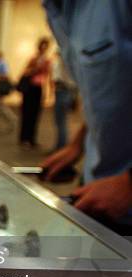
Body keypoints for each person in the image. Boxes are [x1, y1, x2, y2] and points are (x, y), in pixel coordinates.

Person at [41, 0, 132, 234]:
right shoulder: (56, 9)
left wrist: (128, 185)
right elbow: (101, 88)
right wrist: (78, 142)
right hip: (101, 189)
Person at [18, 37, 51, 148]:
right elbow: (25, 72)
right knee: (27, 113)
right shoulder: (33, 59)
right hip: (30, 88)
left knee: (36, 114)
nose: (44, 48)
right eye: (43, 45)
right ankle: (24, 138)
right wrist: (36, 68)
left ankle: (32, 138)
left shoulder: (47, 60)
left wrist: (48, 92)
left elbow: (46, 76)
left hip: (38, 88)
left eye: (46, 46)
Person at [51, 52, 77, 151]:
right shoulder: (65, 60)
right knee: (60, 121)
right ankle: (60, 146)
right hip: (62, 91)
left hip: (64, 91)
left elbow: (64, 79)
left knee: (61, 121)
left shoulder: (66, 61)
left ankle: (61, 147)